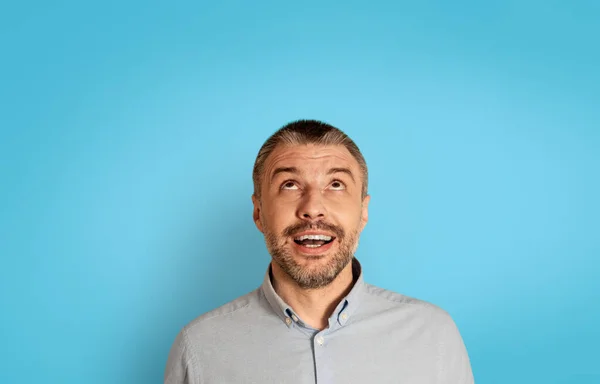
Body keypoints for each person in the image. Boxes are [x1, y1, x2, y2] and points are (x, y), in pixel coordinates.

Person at [164, 120, 474, 384]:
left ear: (363, 212)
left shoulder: (434, 337)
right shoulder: (199, 346)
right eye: (289, 185)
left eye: (336, 184)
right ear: (259, 212)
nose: (312, 208)